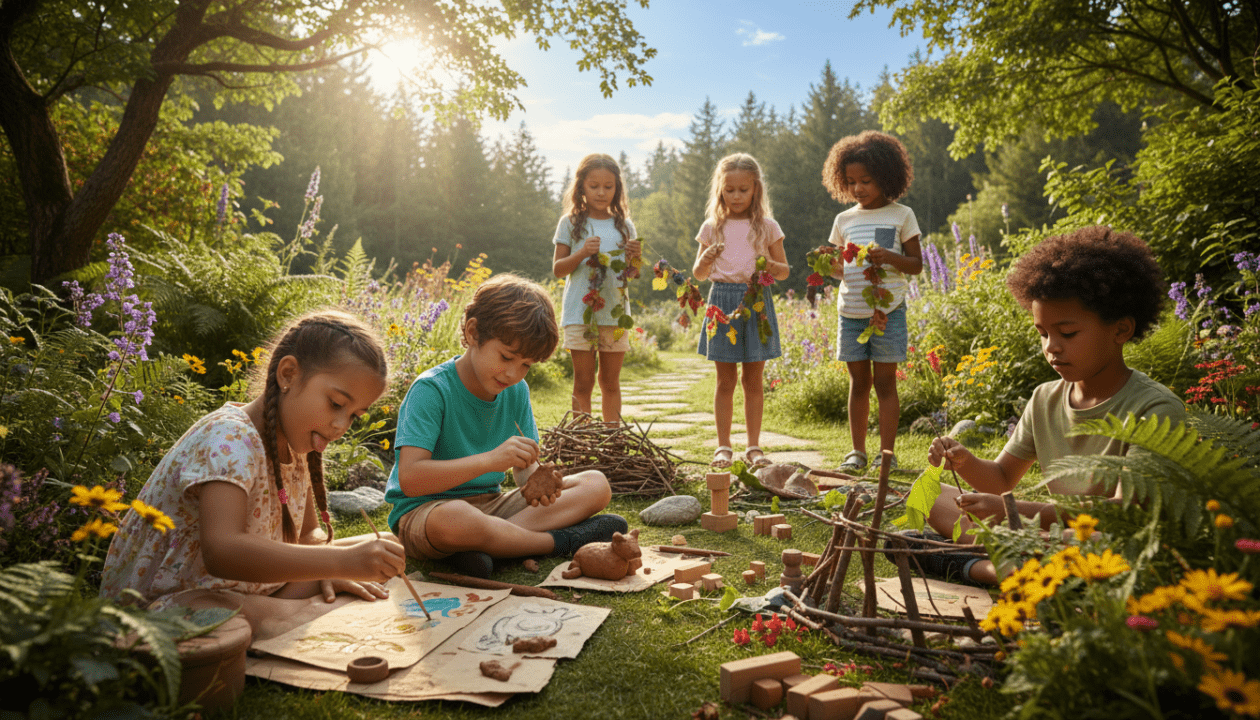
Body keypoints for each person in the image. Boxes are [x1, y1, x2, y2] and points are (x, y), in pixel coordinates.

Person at [100, 312, 405, 634]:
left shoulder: (294, 443)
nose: (341, 426)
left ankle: (289, 613)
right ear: (288, 374)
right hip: (165, 603)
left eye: (354, 416)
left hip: (244, 586)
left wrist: (332, 563)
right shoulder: (229, 439)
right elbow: (223, 550)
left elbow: (306, 536)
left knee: (382, 544)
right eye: (335, 404)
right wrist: (339, 563)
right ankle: (291, 616)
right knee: (254, 613)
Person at [919, 226, 1185, 585]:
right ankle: (1004, 566)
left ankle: (976, 566)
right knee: (931, 494)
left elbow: (1124, 514)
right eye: (1043, 333)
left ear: (1121, 330)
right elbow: (1000, 479)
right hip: (1050, 537)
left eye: (1067, 333)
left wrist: (1015, 512)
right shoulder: (1046, 398)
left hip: (1113, 547)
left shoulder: (1155, 408)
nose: (1051, 347)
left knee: (1091, 546)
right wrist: (966, 462)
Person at [386, 274, 627, 579]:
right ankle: (557, 542)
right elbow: (411, 480)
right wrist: (490, 460)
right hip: (428, 513)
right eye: (506, 357)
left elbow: (524, 471)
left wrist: (538, 481)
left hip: (491, 507)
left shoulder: (515, 391)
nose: (513, 373)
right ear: (474, 332)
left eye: (526, 364)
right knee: (457, 518)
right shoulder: (432, 390)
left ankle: (489, 546)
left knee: (595, 484)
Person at [821, 130, 923, 476]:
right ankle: (857, 453)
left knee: (885, 383)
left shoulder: (902, 215)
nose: (858, 188)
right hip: (851, 313)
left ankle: (887, 453)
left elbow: (916, 265)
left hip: (888, 311)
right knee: (858, 383)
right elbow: (840, 269)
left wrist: (891, 258)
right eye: (851, 182)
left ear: (886, 176)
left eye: (866, 180)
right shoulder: (844, 221)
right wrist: (827, 264)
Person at [692, 153, 791, 469]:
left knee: (753, 380)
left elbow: (784, 272)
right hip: (721, 299)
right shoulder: (711, 227)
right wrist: (706, 258)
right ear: (720, 190)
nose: (736, 196)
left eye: (743, 190)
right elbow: (698, 273)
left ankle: (753, 446)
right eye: (729, 190)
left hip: (756, 300)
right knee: (725, 381)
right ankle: (723, 446)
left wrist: (767, 263)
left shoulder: (768, 227)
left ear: (756, 190)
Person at [552, 153, 642, 422]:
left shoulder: (624, 226)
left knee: (611, 382)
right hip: (580, 313)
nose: (601, 193)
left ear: (617, 189)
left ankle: (612, 439)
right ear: (581, 187)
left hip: (615, 313)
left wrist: (633, 259)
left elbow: (632, 274)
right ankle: (582, 440)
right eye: (594, 186)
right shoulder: (570, 222)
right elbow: (558, 269)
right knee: (583, 382)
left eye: (608, 186)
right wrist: (581, 253)